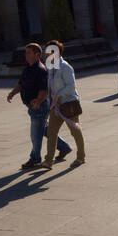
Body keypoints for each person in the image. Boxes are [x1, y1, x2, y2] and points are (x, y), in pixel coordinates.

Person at [7, 42, 70, 169]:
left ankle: (35, 158)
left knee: (35, 134)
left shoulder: (40, 70)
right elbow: (21, 83)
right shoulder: (28, 68)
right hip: (34, 106)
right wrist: (13, 93)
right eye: (26, 52)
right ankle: (64, 147)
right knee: (44, 129)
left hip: (39, 106)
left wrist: (38, 102)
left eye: (28, 53)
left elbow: (44, 90)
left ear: (37, 55)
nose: (26, 55)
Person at [41, 39, 85, 169]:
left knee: (75, 131)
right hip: (55, 106)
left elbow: (71, 87)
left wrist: (59, 94)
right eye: (46, 52)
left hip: (68, 104)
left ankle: (81, 157)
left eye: (49, 52)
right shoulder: (50, 67)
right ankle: (48, 161)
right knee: (51, 132)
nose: (47, 55)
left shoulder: (65, 67)